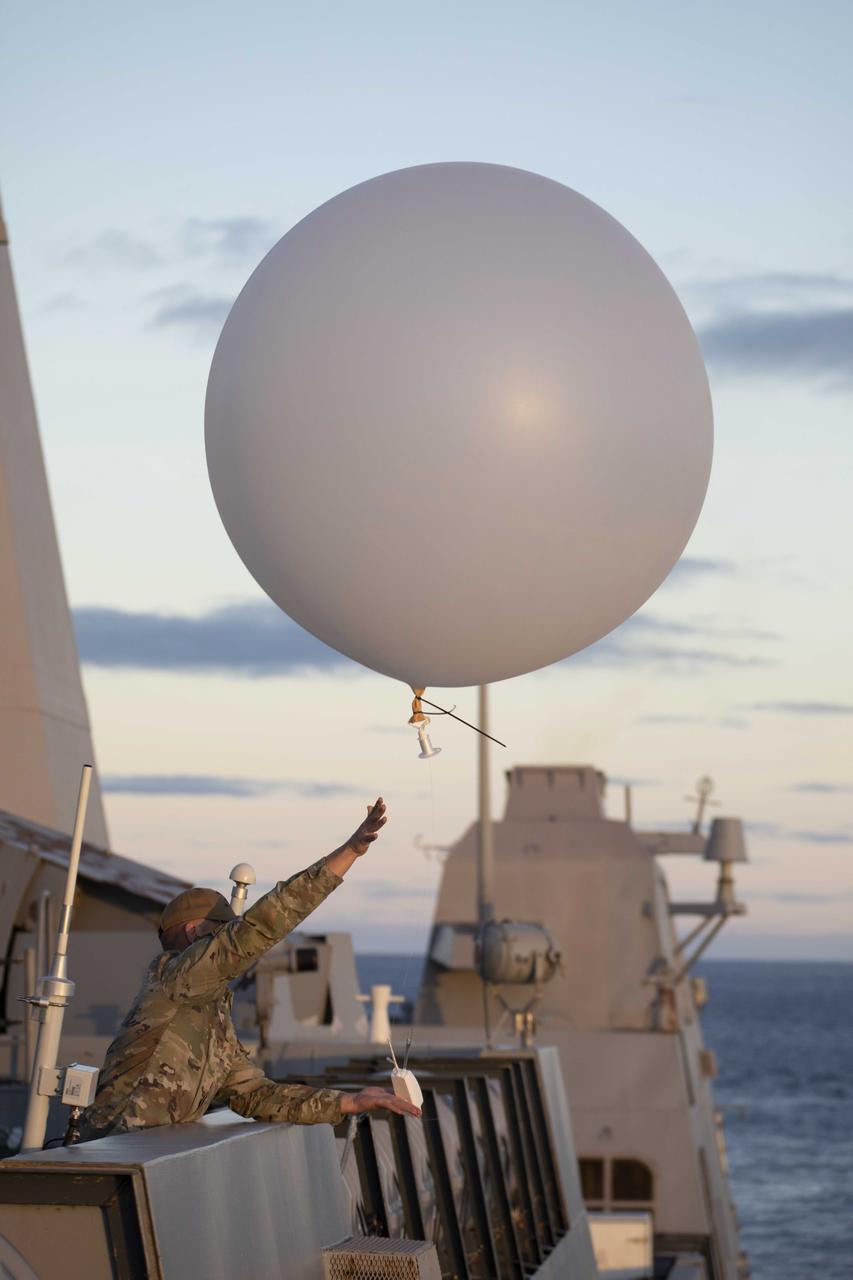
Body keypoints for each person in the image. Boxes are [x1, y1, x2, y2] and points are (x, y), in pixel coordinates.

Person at [77, 798, 419, 1141]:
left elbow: (254, 1094)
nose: (229, 945)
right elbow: (261, 927)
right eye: (220, 931)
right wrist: (349, 852)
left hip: (141, 1167)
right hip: (108, 1163)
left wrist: (349, 1101)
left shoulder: (212, 1018)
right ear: (196, 933)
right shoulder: (174, 979)